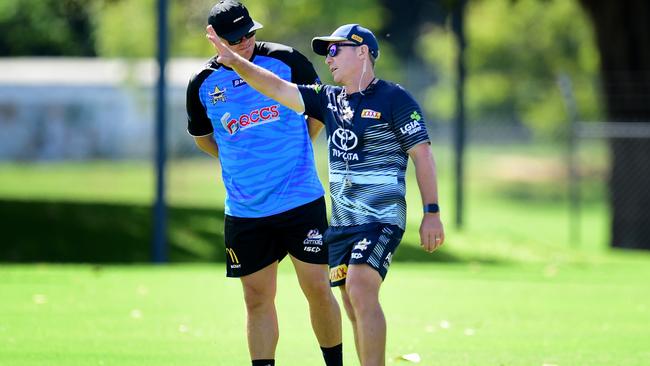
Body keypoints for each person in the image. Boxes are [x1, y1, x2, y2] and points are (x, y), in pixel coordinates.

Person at [206, 22, 445, 366]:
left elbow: (422, 154)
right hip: (342, 225)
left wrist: (432, 212)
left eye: (336, 50)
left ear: (362, 51)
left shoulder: (395, 98)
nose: (328, 59)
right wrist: (235, 61)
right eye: (326, 53)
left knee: (361, 289)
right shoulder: (328, 100)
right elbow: (275, 87)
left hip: (380, 219)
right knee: (351, 303)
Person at [185, 2, 343, 365]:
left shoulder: (287, 60)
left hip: (301, 200)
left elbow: (317, 113)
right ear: (215, 40)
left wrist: (296, 151)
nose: (245, 42)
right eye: (235, 39)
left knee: (318, 289)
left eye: (250, 33)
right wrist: (238, 161)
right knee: (256, 299)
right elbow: (203, 138)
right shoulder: (203, 84)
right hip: (246, 211)